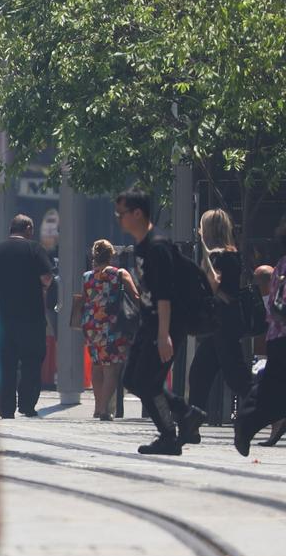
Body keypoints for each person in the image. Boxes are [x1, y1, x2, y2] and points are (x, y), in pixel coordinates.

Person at [117, 189, 207, 455]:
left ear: (137, 213)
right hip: (149, 324)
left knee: (148, 381)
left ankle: (169, 436)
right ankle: (186, 413)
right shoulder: (143, 246)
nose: (118, 219)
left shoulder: (158, 246)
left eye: (122, 213)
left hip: (166, 324)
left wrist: (163, 334)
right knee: (133, 379)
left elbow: (165, 295)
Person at [187, 209, 252, 435]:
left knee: (236, 376)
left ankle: (273, 411)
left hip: (222, 324)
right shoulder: (229, 255)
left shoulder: (220, 256)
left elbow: (212, 287)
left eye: (202, 226)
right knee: (200, 373)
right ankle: (191, 427)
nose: (199, 231)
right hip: (222, 323)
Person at [0, 215, 53, 418]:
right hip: (30, 316)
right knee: (31, 360)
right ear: (28, 228)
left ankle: (6, 408)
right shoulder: (35, 249)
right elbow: (46, 277)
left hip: (1, 318)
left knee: (6, 363)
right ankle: (27, 404)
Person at [72, 239, 139, 420]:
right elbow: (136, 296)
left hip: (92, 325)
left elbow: (86, 299)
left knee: (97, 365)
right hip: (112, 325)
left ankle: (97, 406)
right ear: (111, 256)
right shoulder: (119, 274)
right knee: (112, 368)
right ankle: (104, 409)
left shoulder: (86, 276)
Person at [236, 226, 286, 455]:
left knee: (272, 386)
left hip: (277, 336)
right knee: (272, 388)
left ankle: (247, 423)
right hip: (282, 336)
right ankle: (246, 423)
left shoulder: (281, 264)